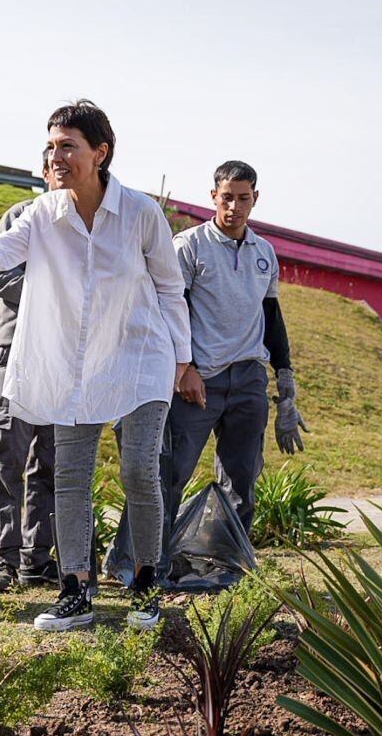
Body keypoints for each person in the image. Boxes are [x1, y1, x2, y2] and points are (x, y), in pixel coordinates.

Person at [0, 100, 191, 632]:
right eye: (51, 146)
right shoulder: (41, 214)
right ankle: (75, 591)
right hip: (76, 368)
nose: (56, 156)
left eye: (67, 145)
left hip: (141, 359)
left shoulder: (141, 213)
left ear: (100, 153)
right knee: (71, 477)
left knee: (139, 469)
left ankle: (146, 584)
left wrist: (182, 361)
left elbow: (169, 287)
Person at [111, 160, 306, 584]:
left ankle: (223, 566)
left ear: (256, 198)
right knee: (167, 474)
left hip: (248, 378)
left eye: (243, 198)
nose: (234, 206)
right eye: (226, 198)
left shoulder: (264, 253)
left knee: (242, 480)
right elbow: (169, 308)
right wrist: (185, 369)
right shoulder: (189, 246)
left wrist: (285, 380)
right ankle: (138, 564)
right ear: (213, 196)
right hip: (197, 380)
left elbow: (271, 315)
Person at [0, 154, 59, 593]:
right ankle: (5, 559)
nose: (60, 172)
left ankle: (38, 558)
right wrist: (47, 298)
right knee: (8, 453)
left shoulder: (82, 226)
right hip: (15, 351)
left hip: (62, 358)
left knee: (49, 461)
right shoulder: (19, 216)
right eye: (53, 165)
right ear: (44, 172)